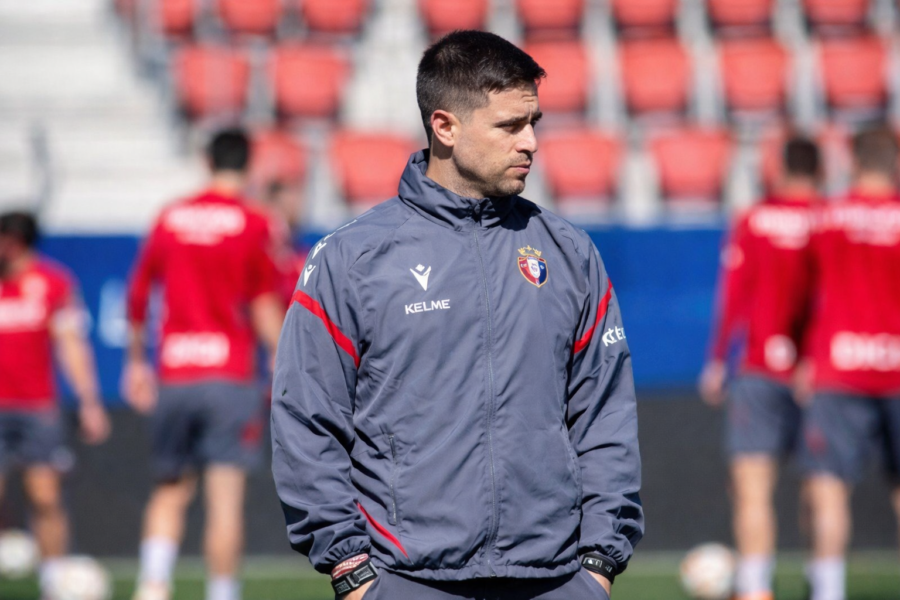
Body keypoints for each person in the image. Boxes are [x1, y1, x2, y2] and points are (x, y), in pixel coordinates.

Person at [271, 30, 643, 600]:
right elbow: (306, 419)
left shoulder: (569, 252)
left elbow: (605, 415)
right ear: (445, 127)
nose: (532, 143)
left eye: (534, 122)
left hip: (555, 580)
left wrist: (597, 565)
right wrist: (352, 570)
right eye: (509, 126)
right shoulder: (353, 259)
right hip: (405, 581)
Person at [124, 128, 285, 600]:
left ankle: (153, 584)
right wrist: (282, 357)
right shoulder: (254, 222)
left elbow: (138, 296)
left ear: (206, 160)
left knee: (169, 490)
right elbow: (261, 302)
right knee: (224, 498)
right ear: (249, 163)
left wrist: (136, 364)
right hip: (228, 375)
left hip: (175, 372)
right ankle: (220, 592)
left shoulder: (170, 217)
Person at [699, 137, 822, 600]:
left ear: (780, 169)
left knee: (752, 487)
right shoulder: (832, 220)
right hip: (821, 372)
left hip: (758, 369)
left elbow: (734, 295)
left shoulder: (753, 220)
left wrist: (716, 362)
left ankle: (754, 589)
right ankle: (821, 581)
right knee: (820, 486)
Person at [799, 127, 900, 600]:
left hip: (839, 367)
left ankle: (828, 591)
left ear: (854, 162)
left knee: (829, 487)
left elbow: (803, 293)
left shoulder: (829, 216)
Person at [0, 211, 110, 596]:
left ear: (15, 241)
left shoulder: (52, 283)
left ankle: (52, 581)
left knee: (45, 495)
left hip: (36, 408)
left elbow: (70, 346)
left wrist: (89, 401)